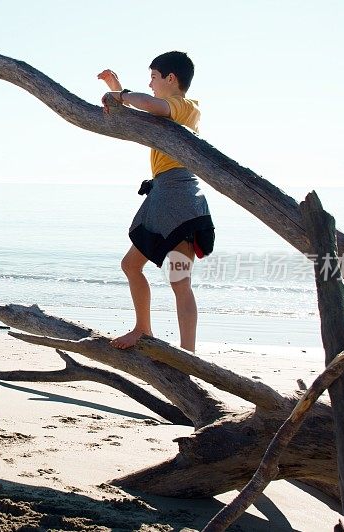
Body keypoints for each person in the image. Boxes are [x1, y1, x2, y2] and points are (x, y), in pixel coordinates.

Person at [97, 51, 214, 353]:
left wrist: (121, 94)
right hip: (175, 196)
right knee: (151, 271)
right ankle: (153, 334)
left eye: (153, 77)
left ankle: (179, 348)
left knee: (171, 278)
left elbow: (149, 104)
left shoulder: (185, 107)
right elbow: (139, 113)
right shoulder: (170, 111)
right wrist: (116, 91)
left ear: (171, 79)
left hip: (176, 196)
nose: (149, 84)